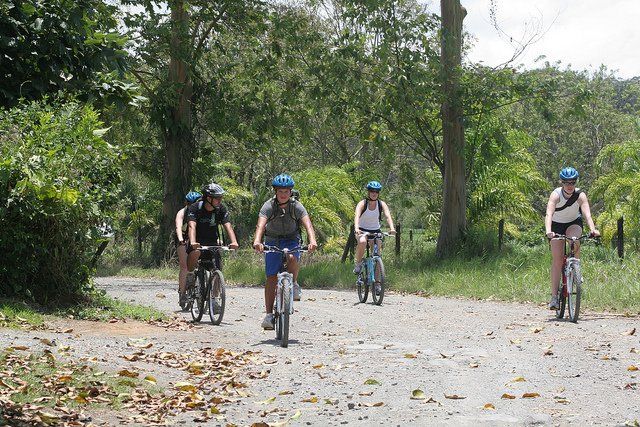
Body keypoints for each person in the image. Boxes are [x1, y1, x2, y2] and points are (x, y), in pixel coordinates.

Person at [252, 174, 317, 329]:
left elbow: (308, 224)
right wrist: (257, 241)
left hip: (291, 239)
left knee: (292, 257)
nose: (283, 194)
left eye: (286, 191)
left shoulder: (296, 206)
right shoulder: (268, 206)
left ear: (290, 192)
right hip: (272, 240)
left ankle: (293, 284)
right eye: (280, 191)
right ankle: (268, 315)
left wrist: (312, 240)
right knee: (271, 278)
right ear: (275, 191)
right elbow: (261, 225)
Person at [545, 167, 600, 310]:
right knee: (557, 260)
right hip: (556, 225)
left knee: (575, 239)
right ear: (562, 182)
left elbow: (587, 214)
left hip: (573, 223)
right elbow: (549, 214)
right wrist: (548, 231)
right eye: (566, 182)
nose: (569, 185)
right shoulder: (556, 195)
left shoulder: (580, 195)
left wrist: (593, 229)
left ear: (576, 182)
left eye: (572, 182)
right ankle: (554, 298)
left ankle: (576, 269)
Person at [186, 183, 239, 289]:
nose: (220, 200)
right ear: (209, 198)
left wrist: (234, 242)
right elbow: (192, 226)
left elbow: (228, 226)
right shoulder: (195, 208)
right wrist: (192, 242)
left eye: (221, 197)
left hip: (212, 242)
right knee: (195, 252)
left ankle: (214, 299)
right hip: (197, 242)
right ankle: (191, 274)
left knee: (217, 270)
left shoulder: (220, 209)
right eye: (217, 198)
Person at [353, 181, 396, 294]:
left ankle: (377, 284)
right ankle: (358, 263)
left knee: (377, 255)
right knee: (362, 242)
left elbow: (387, 216)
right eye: (372, 191)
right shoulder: (362, 203)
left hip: (375, 230)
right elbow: (357, 215)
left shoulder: (381, 204)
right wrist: (357, 228)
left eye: (376, 192)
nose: (374, 193)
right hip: (362, 229)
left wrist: (392, 228)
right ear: (368, 192)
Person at [175, 191, 201, 309]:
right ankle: (182, 293)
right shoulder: (182, 212)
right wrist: (180, 239)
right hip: (184, 240)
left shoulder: (201, 212)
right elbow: (178, 227)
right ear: (186, 203)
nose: (192, 205)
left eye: (195, 203)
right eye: (190, 203)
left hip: (197, 240)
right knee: (184, 267)